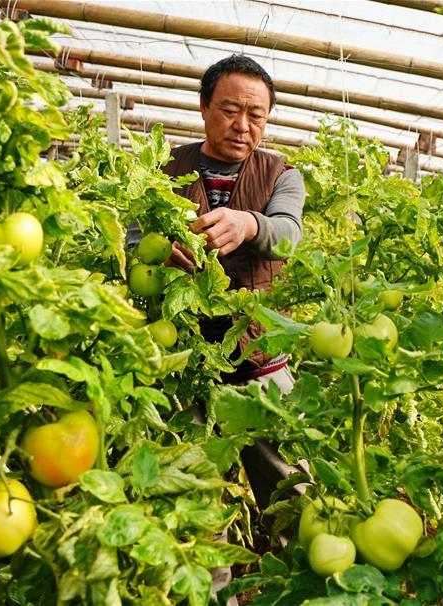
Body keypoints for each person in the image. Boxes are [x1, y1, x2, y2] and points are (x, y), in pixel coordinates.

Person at [151, 54, 308, 509]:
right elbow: (133, 239)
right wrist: (162, 251)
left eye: (256, 115)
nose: (243, 125)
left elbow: (288, 235)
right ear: (203, 107)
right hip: (183, 361)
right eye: (230, 110)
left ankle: (303, 567)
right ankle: (210, 580)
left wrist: (249, 224)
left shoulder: (283, 174)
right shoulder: (165, 167)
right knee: (192, 498)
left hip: (259, 357)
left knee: (293, 489)